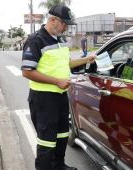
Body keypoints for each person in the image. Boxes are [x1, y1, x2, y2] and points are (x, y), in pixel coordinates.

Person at [21, 5, 95, 170]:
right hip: (43, 99)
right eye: (64, 24)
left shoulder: (59, 40)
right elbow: (27, 71)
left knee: (62, 135)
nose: (65, 28)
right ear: (53, 20)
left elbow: (66, 63)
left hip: (61, 96)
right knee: (47, 140)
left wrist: (86, 60)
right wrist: (56, 81)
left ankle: (58, 166)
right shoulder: (36, 40)